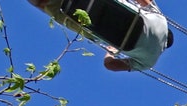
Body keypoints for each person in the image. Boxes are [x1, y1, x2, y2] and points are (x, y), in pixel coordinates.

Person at [28, 0, 173, 72]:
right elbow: (111, 65)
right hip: (92, 26)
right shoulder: (149, 62)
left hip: (108, 5)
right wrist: (110, 52)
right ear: (165, 46)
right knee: (51, 8)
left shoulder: (162, 21)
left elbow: (144, 1)